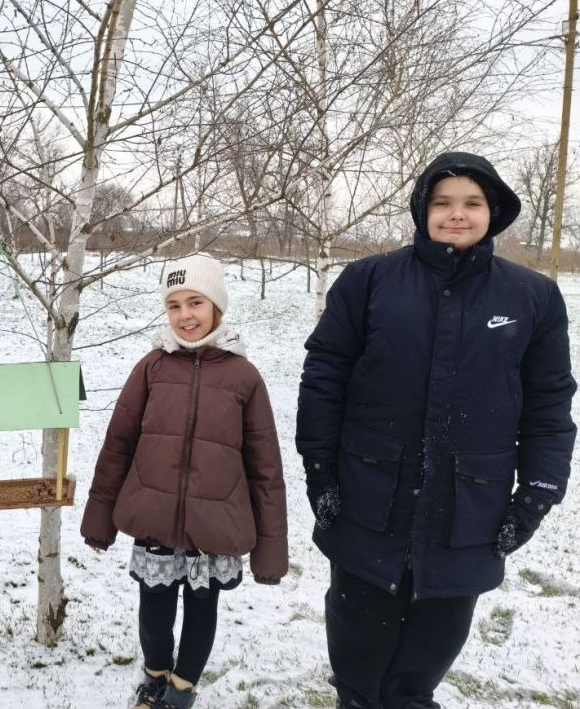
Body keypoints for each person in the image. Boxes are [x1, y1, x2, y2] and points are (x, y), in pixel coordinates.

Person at [296, 152, 577, 709]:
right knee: (358, 676)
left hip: (469, 515)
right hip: (367, 503)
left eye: (472, 203)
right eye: (442, 202)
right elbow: (324, 376)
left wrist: (537, 496)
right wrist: (320, 469)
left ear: (492, 212)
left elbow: (549, 405)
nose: (456, 214)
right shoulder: (370, 280)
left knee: (415, 681)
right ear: (423, 210)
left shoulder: (533, 297)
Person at [81, 253, 288, 709]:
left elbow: (265, 467)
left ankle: (183, 687)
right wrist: (99, 519)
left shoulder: (243, 377)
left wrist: (270, 550)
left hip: (214, 526)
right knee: (154, 612)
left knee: (201, 611)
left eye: (195, 302)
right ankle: (156, 673)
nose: (185, 315)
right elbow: (118, 445)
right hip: (154, 519)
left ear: (216, 305)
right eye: (174, 305)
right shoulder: (151, 368)